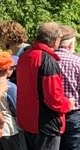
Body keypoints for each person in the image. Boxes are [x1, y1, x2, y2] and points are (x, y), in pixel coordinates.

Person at [16, 22, 70, 150]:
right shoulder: (47, 60)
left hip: (27, 120)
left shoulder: (25, 55)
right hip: (45, 123)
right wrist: (68, 103)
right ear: (55, 40)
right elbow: (54, 98)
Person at [54, 26, 80, 150]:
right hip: (75, 114)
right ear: (71, 44)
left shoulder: (47, 59)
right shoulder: (79, 62)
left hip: (52, 114)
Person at [0, 51, 26, 150]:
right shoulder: (10, 87)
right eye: (12, 67)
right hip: (9, 129)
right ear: (7, 69)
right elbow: (17, 109)